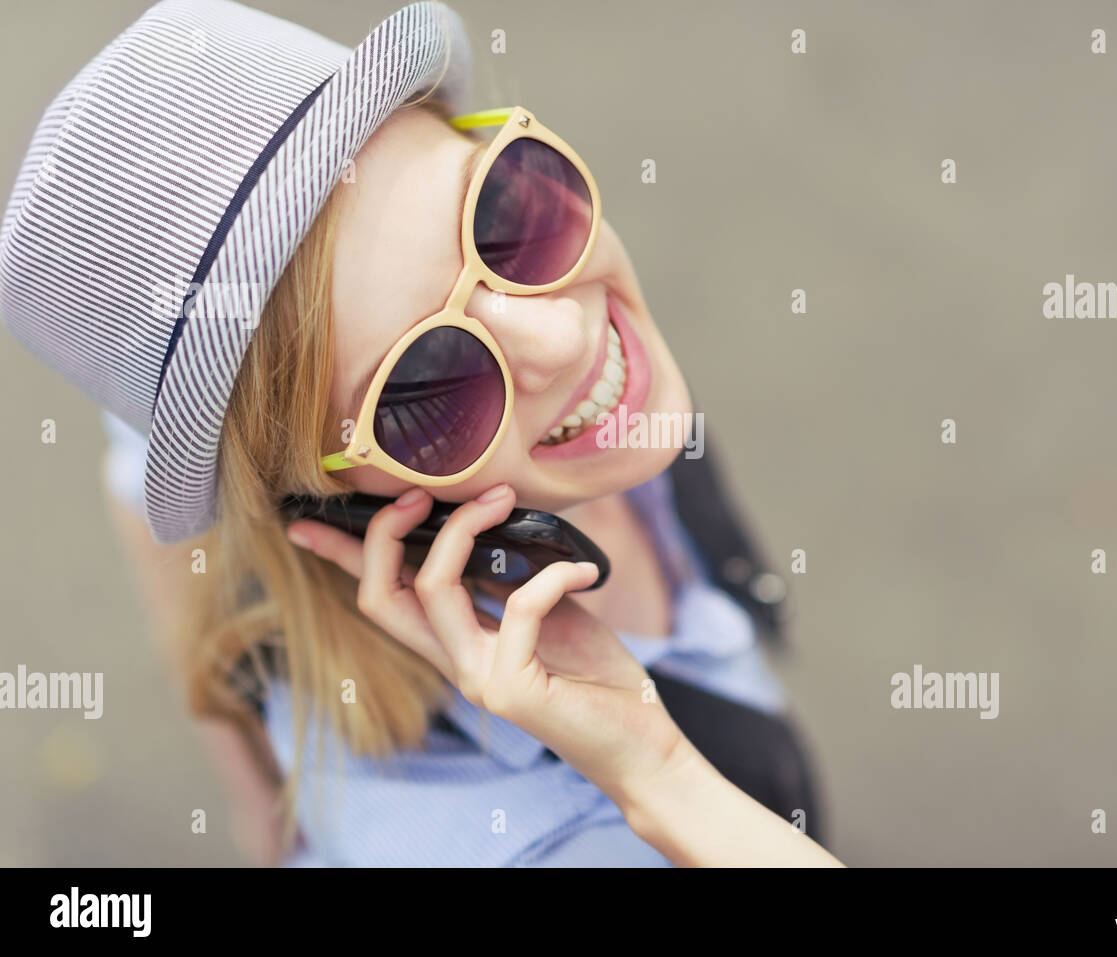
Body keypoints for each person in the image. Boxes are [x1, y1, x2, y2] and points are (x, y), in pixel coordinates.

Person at [2, 0, 841, 866]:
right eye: (424, 384)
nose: (563, 337)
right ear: (331, 501)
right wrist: (665, 780)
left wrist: (256, 808)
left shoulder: (184, 393)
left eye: (502, 213)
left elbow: (136, 454)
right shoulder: (547, 840)